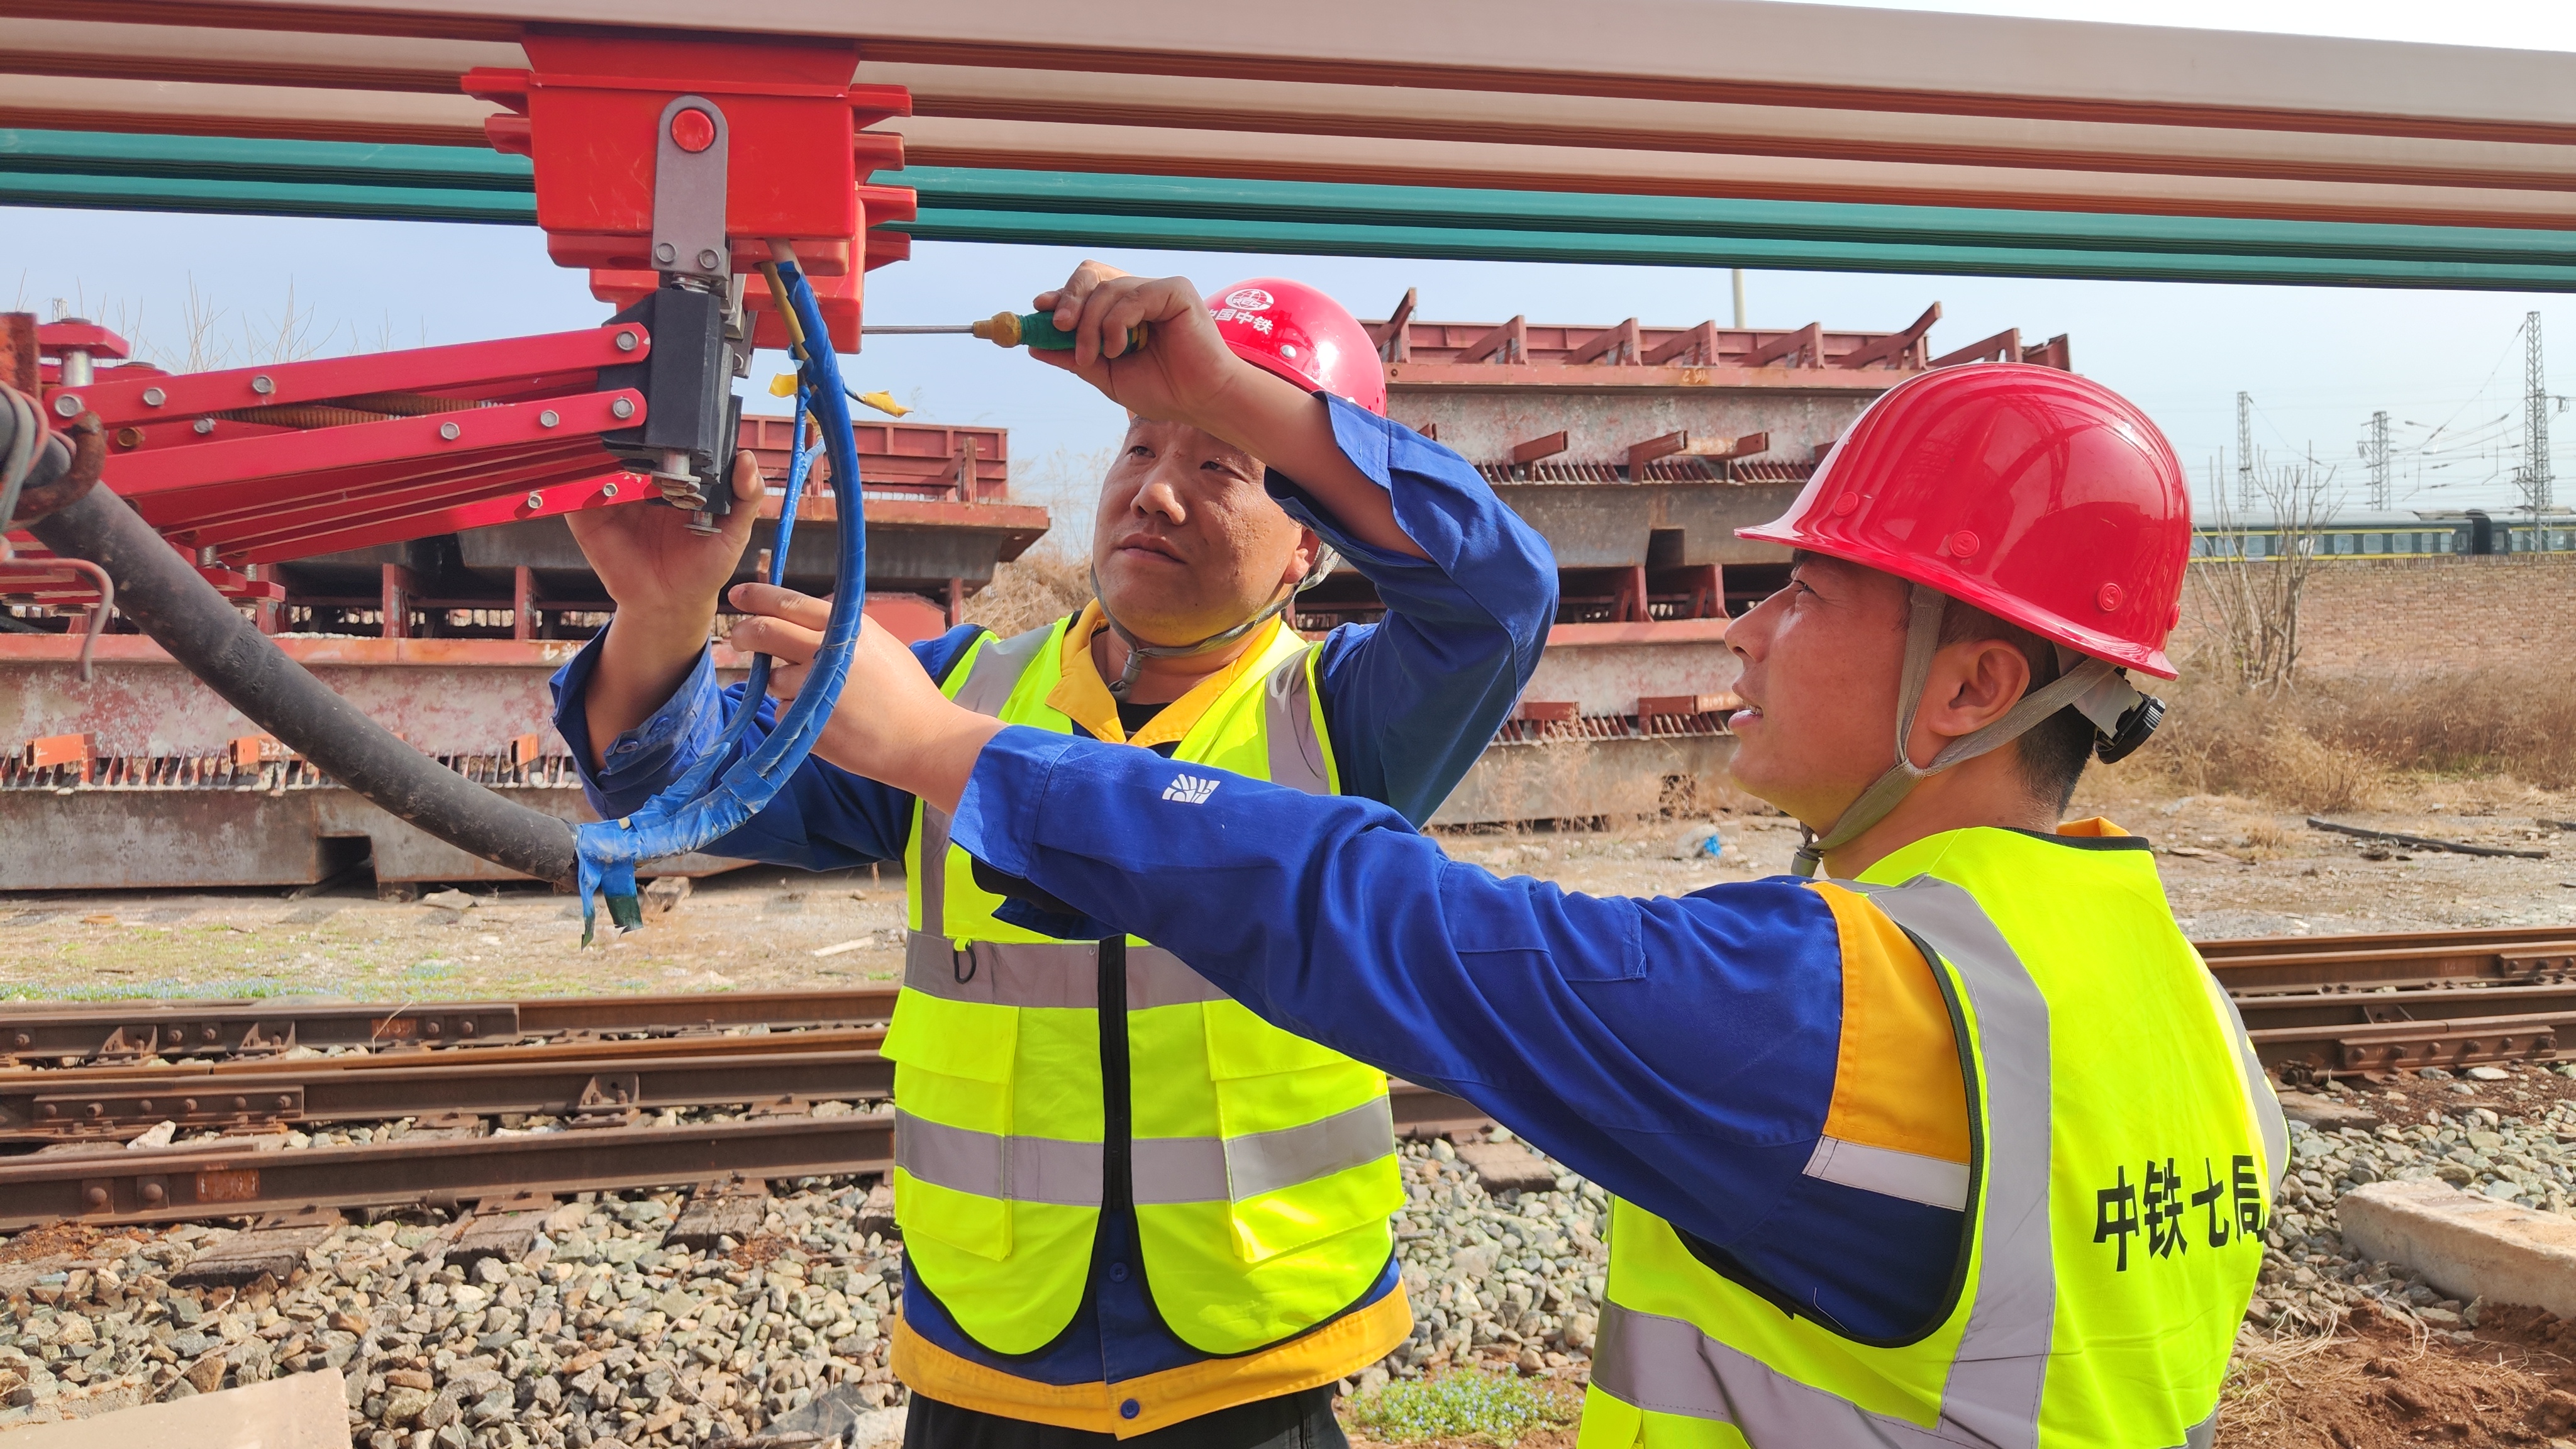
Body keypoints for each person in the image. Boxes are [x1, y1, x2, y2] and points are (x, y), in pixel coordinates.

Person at [747, 355, 2290, 1446]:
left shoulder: (1835, 1010)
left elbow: (1363, 912)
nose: (1744, 632)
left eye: (1808, 593)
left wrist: (951, 749)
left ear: (1970, 686)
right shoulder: (2189, 1016)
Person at [550, 262, 1557, 1446]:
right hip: (989, 1358)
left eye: (1221, 462)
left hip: (1254, 1361)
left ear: (1310, 548)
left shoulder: (1346, 720)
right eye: (1139, 450)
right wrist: (661, 619)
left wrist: (1233, 389)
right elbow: (689, 791)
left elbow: (1497, 597)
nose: (1159, 495)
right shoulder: (955, 692)